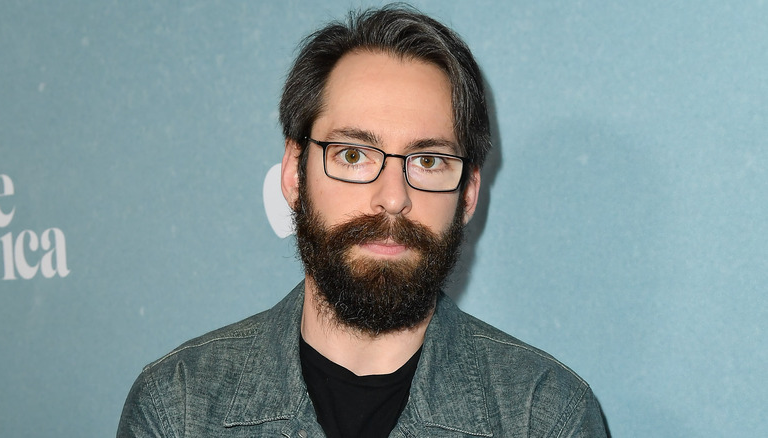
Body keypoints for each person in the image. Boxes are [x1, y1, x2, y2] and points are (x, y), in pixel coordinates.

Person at [118, 5, 608, 437]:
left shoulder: (543, 417)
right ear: (294, 172)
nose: (392, 199)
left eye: (429, 161)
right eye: (353, 155)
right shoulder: (177, 408)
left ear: (469, 194)